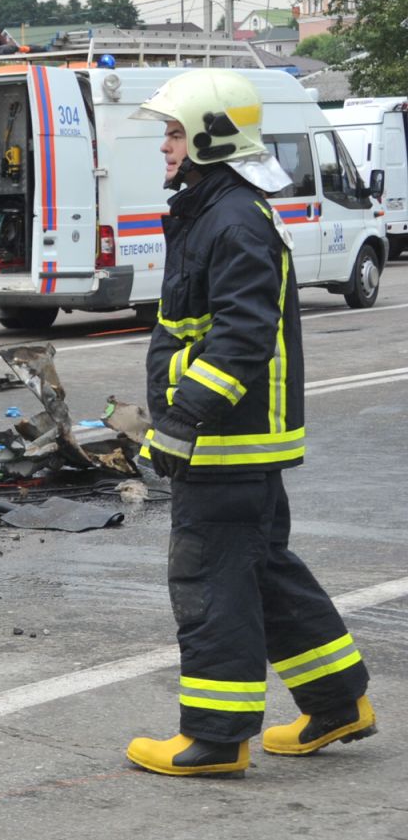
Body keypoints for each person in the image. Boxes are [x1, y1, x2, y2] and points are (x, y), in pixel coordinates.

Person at [126, 70, 375, 778]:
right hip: (235, 439)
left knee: (210, 580)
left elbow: (240, 337)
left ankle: (215, 737)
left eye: (174, 132)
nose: (165, 147)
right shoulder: (217, 210)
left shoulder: (231, 218)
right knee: (261, 570)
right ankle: (338, 702)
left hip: (226, 441)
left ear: (209, 136)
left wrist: (181, 423)